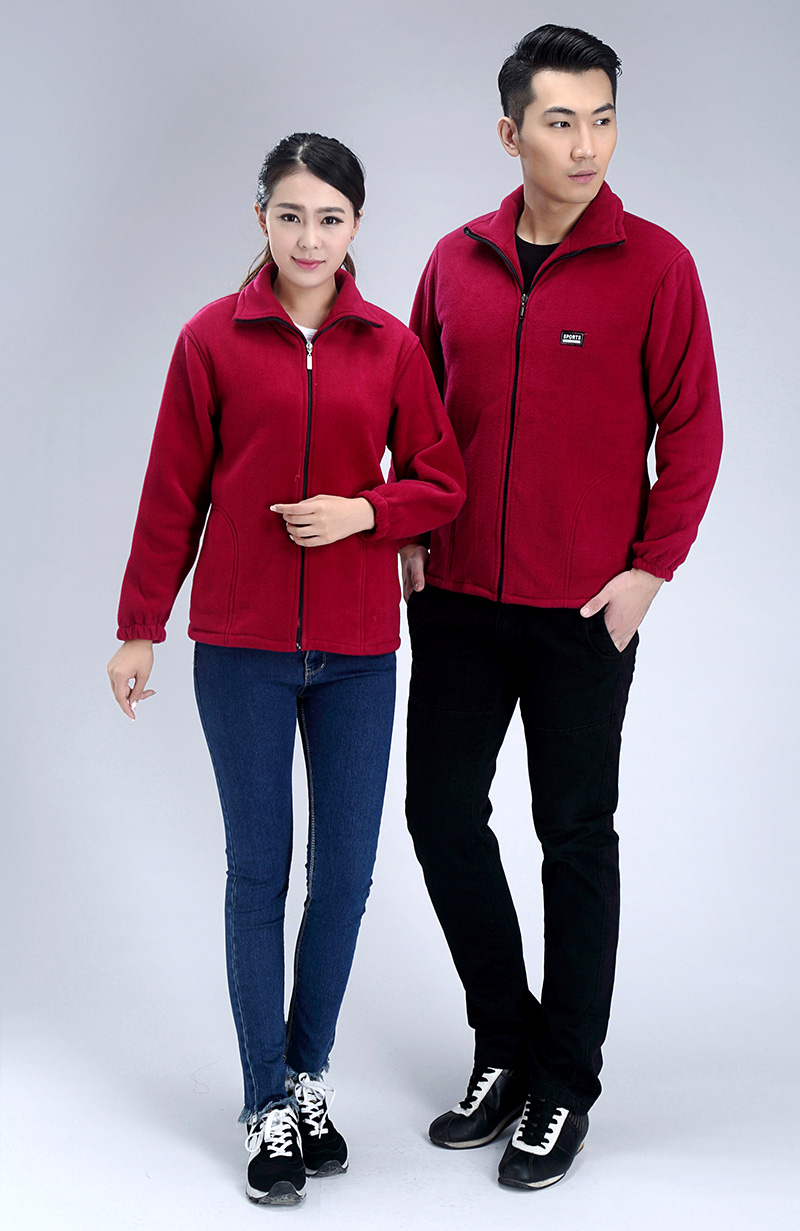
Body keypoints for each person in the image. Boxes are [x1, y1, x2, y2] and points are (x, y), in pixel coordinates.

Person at [107, 131, 465, 1207]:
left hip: (357, 653)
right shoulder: (208, 341)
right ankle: (264, 1100)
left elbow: (442, 479)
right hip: (242, 649)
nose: (310, 237)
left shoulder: (390, 347)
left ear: (356, 227)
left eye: (331, 218)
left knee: (345, 877)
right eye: (291, 215)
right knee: (258, 873)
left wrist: (368, 512)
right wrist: (140, 625)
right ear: (261, 219)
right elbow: (173, 490)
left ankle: (308, 1078)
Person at [402, 24, 722, 1191]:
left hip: (583, 610)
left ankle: (563, 1083)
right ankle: (504, 1042)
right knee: (439, 816)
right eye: (558, 121)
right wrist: (408, 533)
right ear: (510, 133)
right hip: (455, 600)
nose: (584, 145)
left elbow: (693, 429)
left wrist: (646, 573)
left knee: (573, 837)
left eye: (600, 120)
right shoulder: (453, 261)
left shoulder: (655, 266)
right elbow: (412, 413)